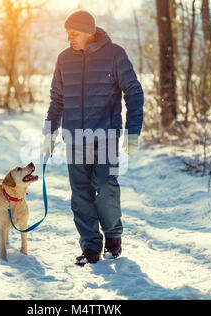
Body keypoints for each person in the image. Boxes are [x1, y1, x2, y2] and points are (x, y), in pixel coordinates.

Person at [42, 9, 144, 265]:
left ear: (89, 31)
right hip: (74, 139)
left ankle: (113, 237)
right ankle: (90, 247)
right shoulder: (64, 59)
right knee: (80, 195)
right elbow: (57, 99)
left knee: (107, 186)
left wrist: (133, 132)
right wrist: (49, 133)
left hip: (106, 136)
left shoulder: (115, 54)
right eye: (67, 34)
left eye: (74, 33)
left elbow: (134, 92)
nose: (69, 39)